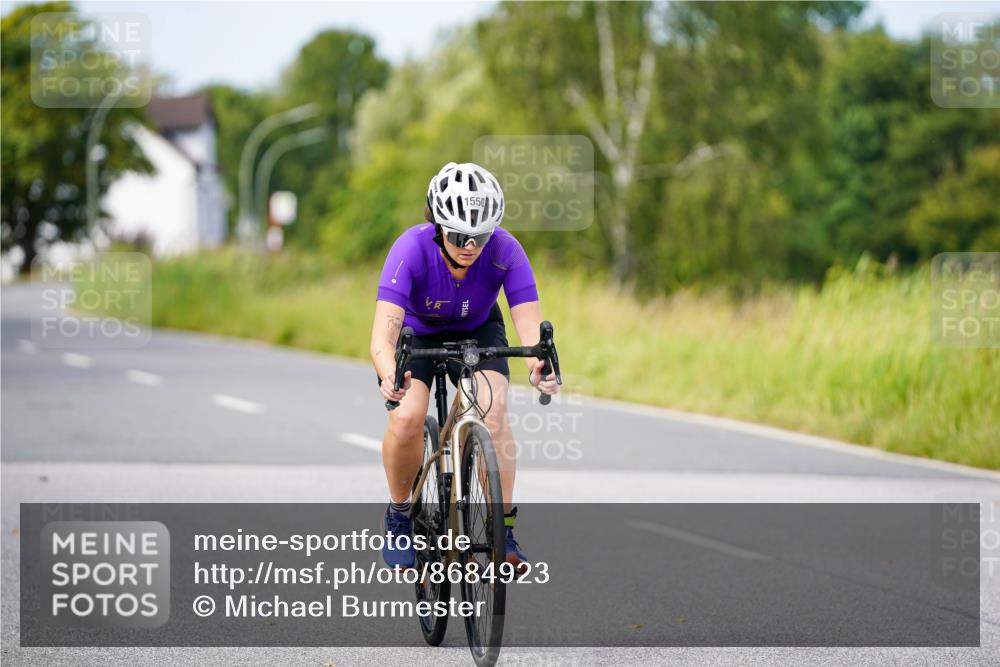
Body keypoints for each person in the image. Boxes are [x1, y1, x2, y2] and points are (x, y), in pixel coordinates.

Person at [370, 162, 560, 569]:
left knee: (494, 414)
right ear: (438, 226)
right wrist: (390, 373)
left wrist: (539, 367)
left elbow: (528, 325)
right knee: (408, 417)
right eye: (459, 235)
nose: (470, 245)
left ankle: (503, 531)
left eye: (480, 236)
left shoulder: (506, 249)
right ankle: (399, 515)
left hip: (478, 330)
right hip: (416, 335)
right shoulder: (410, 249)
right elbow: (381, 338)